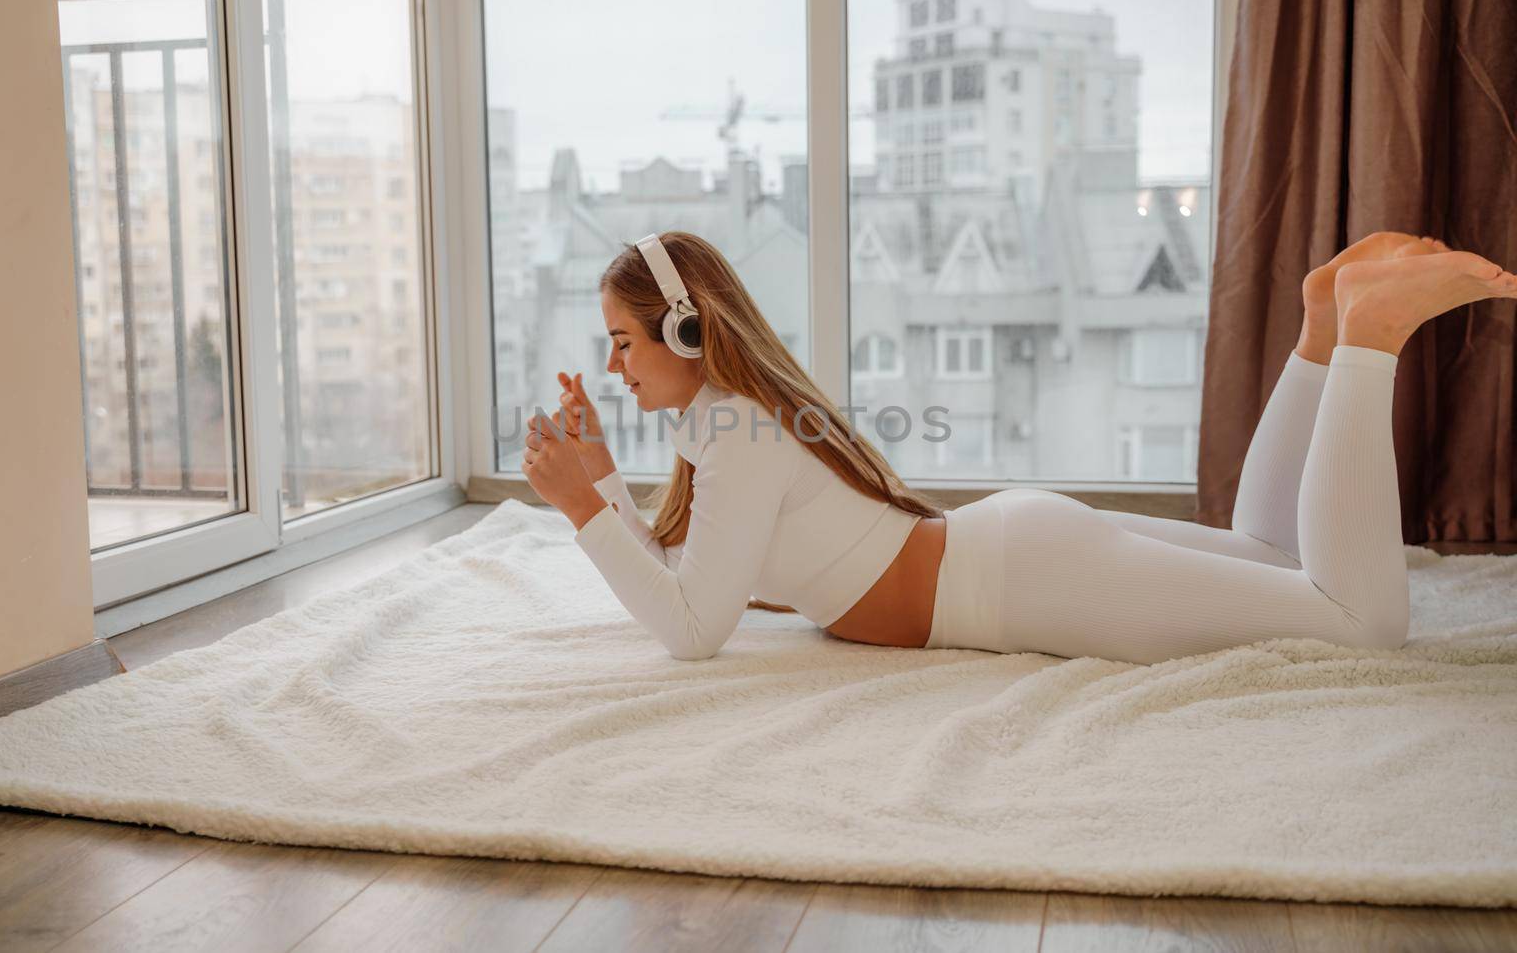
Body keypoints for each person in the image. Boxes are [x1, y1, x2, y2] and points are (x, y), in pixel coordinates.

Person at [520, 230, 1517, 664]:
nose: (614, 366)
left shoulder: (735, 433)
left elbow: (692, 630)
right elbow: (690, 577)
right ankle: (1319, 330)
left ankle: (1368, 338)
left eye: (622, 341)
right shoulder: (731, 417)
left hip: (1013, 578)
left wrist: (577, 507)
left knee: (1360, 622)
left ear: (687, 333)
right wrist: (601, 471)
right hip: (1013, 548)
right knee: (1275, 563)